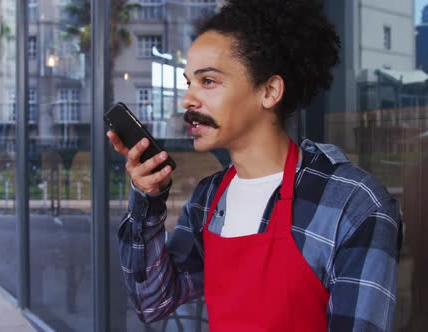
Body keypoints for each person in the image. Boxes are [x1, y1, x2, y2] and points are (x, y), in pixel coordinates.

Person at [107, 0, 403, 330]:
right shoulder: (209, 198)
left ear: (269, 91)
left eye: (208, 81)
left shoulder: (353, 204)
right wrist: (147, 200)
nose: (187, 100)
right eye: (188, 82)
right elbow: (154, 301)